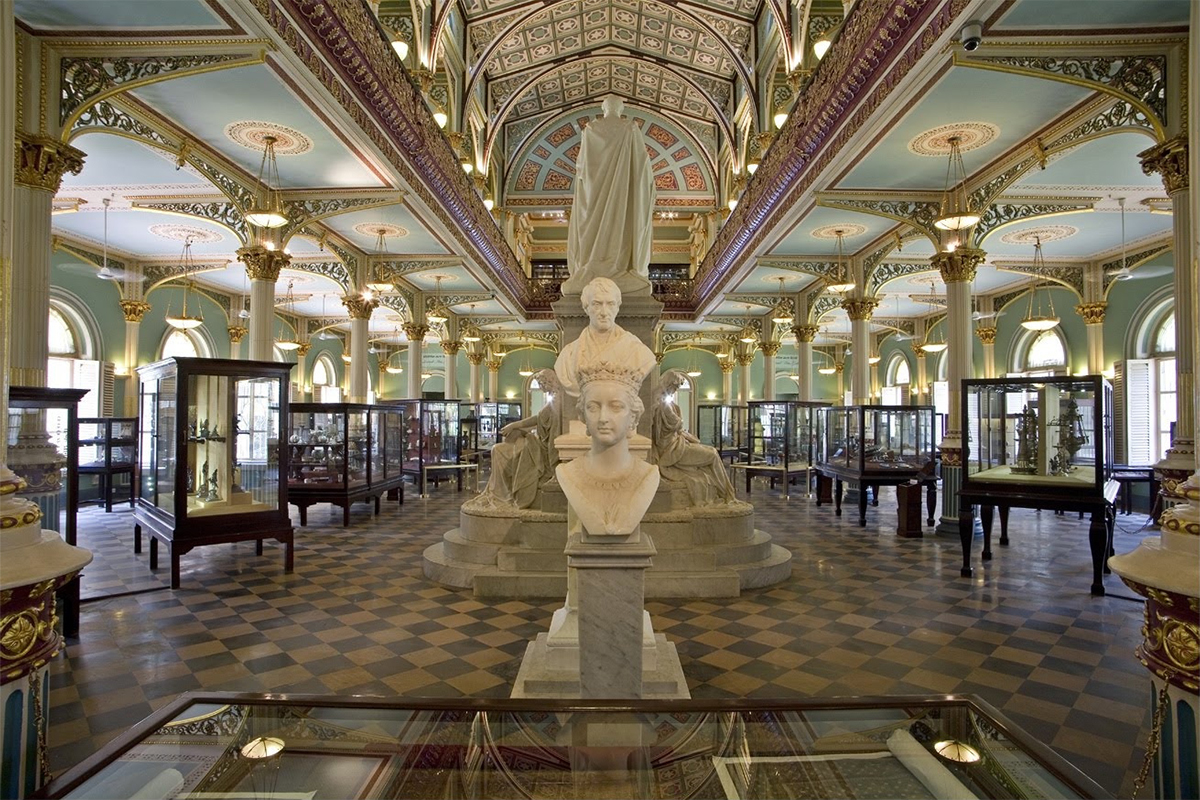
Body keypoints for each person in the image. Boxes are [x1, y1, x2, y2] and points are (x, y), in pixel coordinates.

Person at [563, 95, 655, 296]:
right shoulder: (630, 128)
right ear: (620, 109)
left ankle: (592, 267)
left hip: (592, 192)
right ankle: (617, 267)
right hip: (623, 190)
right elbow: (641, 167)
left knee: (588, 226)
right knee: (621, 223)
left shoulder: (590, 129)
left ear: (604, 109)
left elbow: (581, 167)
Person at [555, 364, 659, 537]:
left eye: (616, 407)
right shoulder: (568, 474)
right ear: (583, 417)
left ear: (633, 418)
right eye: (593, 407)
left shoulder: (648, 475)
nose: (603, 418)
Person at [554, 277, 656, 404]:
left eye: (610, 304)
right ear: (586, 308)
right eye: (596, 304)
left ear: (618, 308)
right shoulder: (568, 356)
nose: (604, 312)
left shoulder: (637, 351)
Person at [470, 369, 561, 509]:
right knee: (498, 449)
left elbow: (545, 427)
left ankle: (501, 495)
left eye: (542, 384)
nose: (541, 387)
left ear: (549, 381)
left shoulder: (557, 400)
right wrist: (517, 427)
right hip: (538, 442)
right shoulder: (553, 398)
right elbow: (540, 420)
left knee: (499, 450)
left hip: (541, 447)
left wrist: (516, 426)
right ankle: (498, 493)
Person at [651, 369, 736, 505]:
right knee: (713, 454)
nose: (674, 391)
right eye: (674, 387)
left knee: (710, 452)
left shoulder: (665, 403)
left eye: (676, 388)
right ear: (668, 385)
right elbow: (678, 424)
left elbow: (679, 428)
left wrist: (689, 436)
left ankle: (726, 492)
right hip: (672, 451)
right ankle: (726, 494)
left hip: (677, 444)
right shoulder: (663, 405)